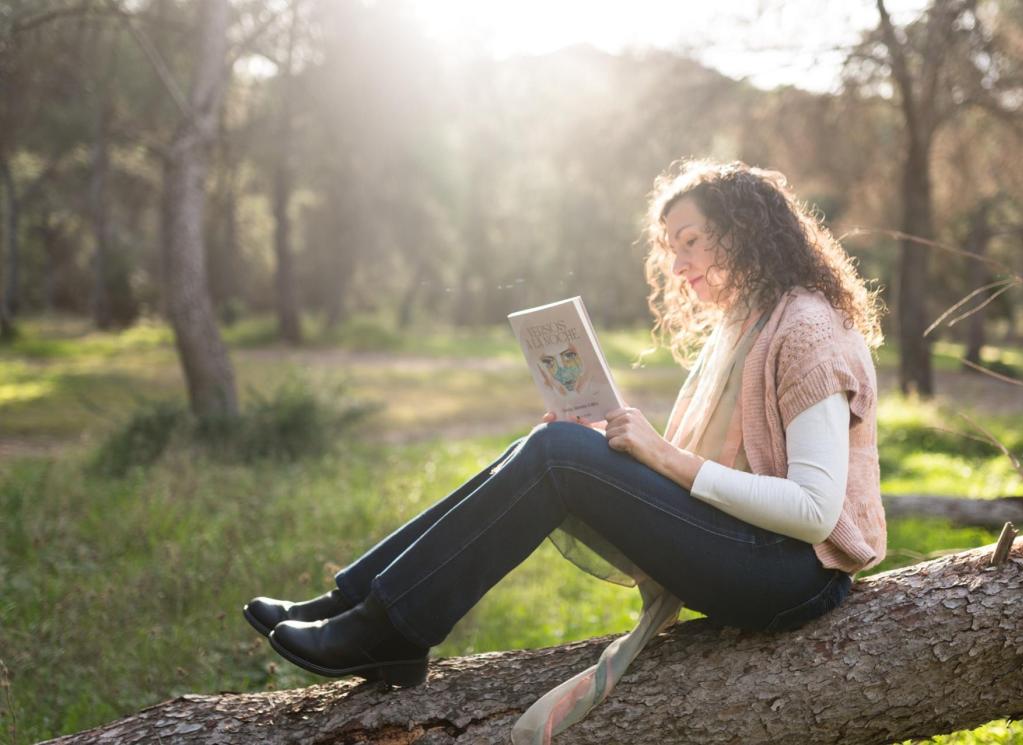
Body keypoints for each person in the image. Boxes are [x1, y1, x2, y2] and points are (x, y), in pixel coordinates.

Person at [243, 159, 887, 741]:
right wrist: (614, 438)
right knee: (554, 444)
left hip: (791, 579)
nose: (678, 263)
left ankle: (386, 628)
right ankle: (357, 603)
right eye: (670, 248)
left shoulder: (806, 329)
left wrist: (658, 456)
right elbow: (713, 469)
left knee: (557, 453)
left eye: (691, 240)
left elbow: (813, 512)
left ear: (747, 231)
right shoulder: (747, 323)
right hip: (749, 549)